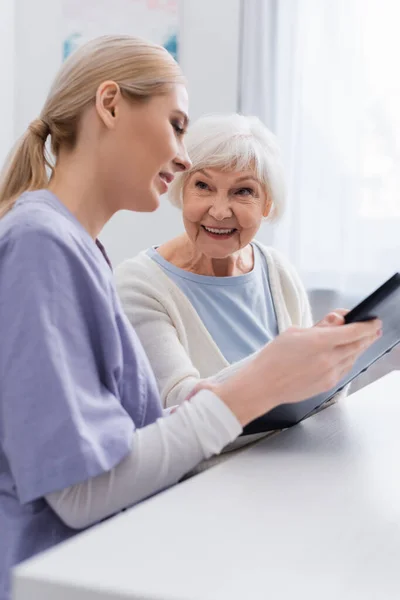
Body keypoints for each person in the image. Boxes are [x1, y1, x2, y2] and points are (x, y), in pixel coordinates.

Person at [0, 35, 380, 600]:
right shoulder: (40, 245)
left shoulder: (75, 247)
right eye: (176, 124)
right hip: (60, 579)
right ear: (109, 105)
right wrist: (259, 383)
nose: (183, 155)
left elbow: (130, 443)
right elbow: (79, 494)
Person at [115, 114, 337, 429]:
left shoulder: (278, 270)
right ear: (181, 191)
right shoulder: (138, 285)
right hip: (209, 471)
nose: (219, 211)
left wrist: (337, 360)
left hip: (288, 458)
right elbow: (180, 402)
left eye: (243, 192)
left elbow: (312, 396)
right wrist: (285, 362)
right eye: (203, 186)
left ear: (267, 205)